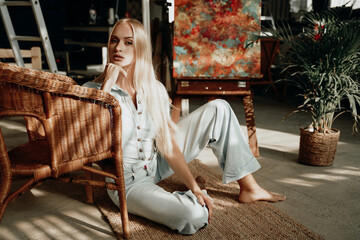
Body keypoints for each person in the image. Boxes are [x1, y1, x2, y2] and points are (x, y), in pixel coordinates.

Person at [83, 18, 286, 235]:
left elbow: (168, 145)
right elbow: (90, 143)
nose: (118, 48)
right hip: (129, 182)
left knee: (219, 108)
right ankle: (188, 198)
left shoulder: (154, 89)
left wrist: (193, 187)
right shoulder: (92, 90)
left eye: (128, 42)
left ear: (140, 47)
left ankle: (249, 188)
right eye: (114, 40)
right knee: (193, 216)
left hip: (156, 161)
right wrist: (106, 88)